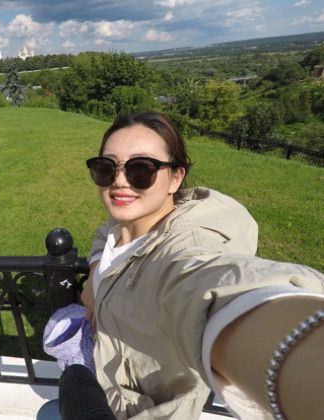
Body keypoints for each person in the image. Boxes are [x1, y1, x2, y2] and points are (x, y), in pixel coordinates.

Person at [81, 111, 324, 419]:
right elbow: (106, 234)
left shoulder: (181, 250)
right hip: (106, 390)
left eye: (141, 169)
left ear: (175, 177)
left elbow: (206, 283)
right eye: (106, 168)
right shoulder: (124, 225)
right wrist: (95, 272)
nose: (119, 181)